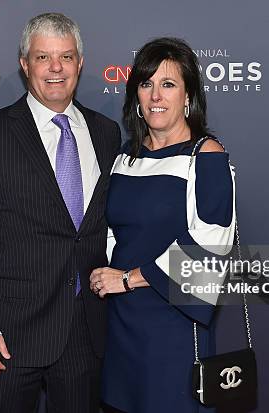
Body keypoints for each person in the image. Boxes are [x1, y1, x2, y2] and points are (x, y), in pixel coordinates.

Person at [0, 13, 121, 413]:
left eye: (66, 56)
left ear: (81, 62)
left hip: (84, 331)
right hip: (7, 336)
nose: (56, 68)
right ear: (25, 64)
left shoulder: (106, 132)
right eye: (43, 57)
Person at [89, 37, 236, 412]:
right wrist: (105, 275)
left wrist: (126, 279)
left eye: (168, 84)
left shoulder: (206, 156)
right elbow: (111, 231)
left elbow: (210, 246)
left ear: (188, 95)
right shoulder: (125, 157)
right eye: (146, 84)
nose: (156, 95)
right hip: (122, 325)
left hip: (175, 325)